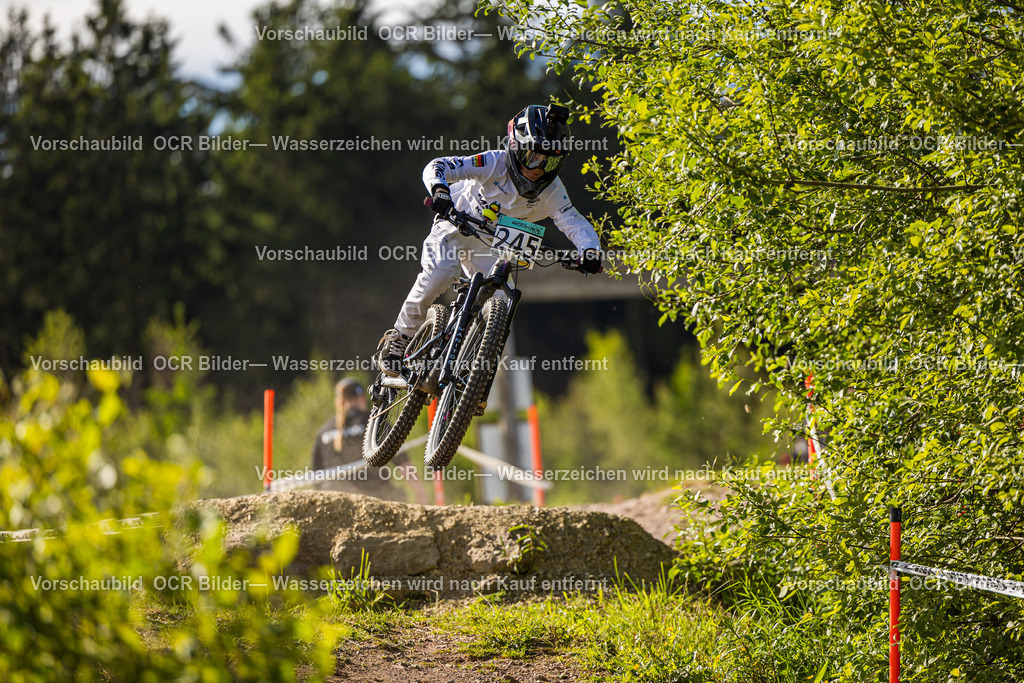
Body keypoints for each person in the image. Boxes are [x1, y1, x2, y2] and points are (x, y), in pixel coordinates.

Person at [377, 103, 603, 376]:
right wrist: (440, 190)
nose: (539, 169)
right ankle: (399, 338)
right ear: (516, 146)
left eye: (550, 161)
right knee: (440, 274)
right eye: (533, 157)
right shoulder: (494, 162)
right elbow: (439, 166)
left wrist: (590, 252)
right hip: (456, 226)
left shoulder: (552, 190)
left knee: (501, 305)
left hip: (493, 245)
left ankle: (472, 378)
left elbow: (574, 222)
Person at [311, 378, 426, 503]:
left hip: (334, 499)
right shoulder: (375, 423)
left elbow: (316, 475)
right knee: (399, 495)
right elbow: (402, 462)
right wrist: (420, 492)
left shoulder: (324, 430)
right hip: (375, 496)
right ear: (362, 398)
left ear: (337, 402)